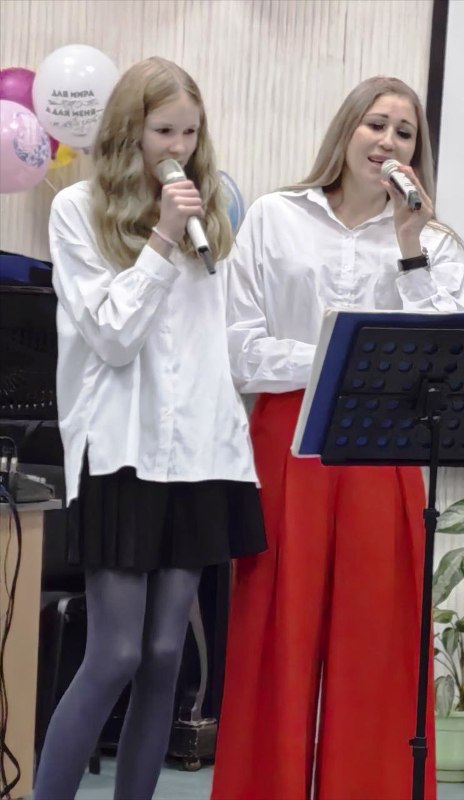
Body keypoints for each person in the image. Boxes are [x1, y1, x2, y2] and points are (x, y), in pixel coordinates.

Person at [211, 76, 464, 800]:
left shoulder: (437, 242)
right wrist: (340, 358)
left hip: (385, 449)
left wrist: (409, 246)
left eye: (404, 133)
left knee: (377, 641)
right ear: (346, 129)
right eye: (375, 124)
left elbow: (444, 355)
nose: (388, 142)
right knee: (275, 634)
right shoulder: (275, 216)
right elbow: (237, 348)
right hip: (286, 438)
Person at [34, 57, 265, 800]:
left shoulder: (213, 215)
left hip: (198, 453)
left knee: (167, 654)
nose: (179, 148)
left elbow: (221, 342)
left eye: (190, 133)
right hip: (121, 450)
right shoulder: (78, 210)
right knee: (116, 654)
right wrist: (161, 240)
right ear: (128, 131)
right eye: (164, 131)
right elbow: (112, 336)